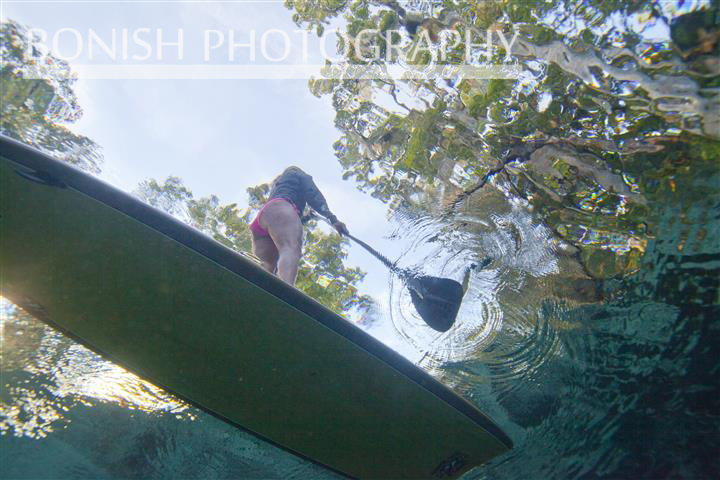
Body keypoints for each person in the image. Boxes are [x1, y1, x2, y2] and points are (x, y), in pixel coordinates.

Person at [249, 166, 348, 285]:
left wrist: (307, 217)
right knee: (290, 248)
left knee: (269, 265)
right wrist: (333, 219)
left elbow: (283, 223)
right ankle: (286, 293)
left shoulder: (278, 184)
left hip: (264, 217)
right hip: (281, 207)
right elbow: (312, 193)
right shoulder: (297, 174)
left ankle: (256, 287)